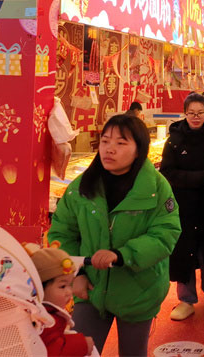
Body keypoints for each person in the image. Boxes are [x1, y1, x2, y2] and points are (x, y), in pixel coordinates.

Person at [48, 114, 181, 356]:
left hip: (139, 288)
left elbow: (165, 233)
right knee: (80, 351)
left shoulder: (156, 188)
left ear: (139, 149)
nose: (110, 149)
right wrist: (74, 274)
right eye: (105, 141)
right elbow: (61, 232)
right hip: (90, 285)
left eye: (121, 143)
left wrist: (122, 255)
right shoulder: (81, 187)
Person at [160, 93, 204, 321]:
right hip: (183, 203)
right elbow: (167, 172)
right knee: (183, 250)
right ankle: (186, 300)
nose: (196, 118)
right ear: (185, 113)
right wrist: (203, 177)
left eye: (200, 113)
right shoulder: (176, 138)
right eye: (191, 113)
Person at [26, 243, 95, 356]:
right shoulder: (44, 319)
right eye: (62, 286)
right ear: (39, 288)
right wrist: (83, 344)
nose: (70, 291)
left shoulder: (45, 314)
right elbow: (50, 351)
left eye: (70, 284)